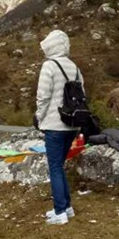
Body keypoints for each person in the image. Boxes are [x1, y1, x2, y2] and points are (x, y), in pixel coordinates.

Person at [35, 29, 81, 226]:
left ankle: (60, 211)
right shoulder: (75, 67)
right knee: (59, 165)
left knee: (54, 167)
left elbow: (43, 97)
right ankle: (67, 207)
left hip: (54, 125)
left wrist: (39, 117)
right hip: (72, 125)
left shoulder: (49, 66)